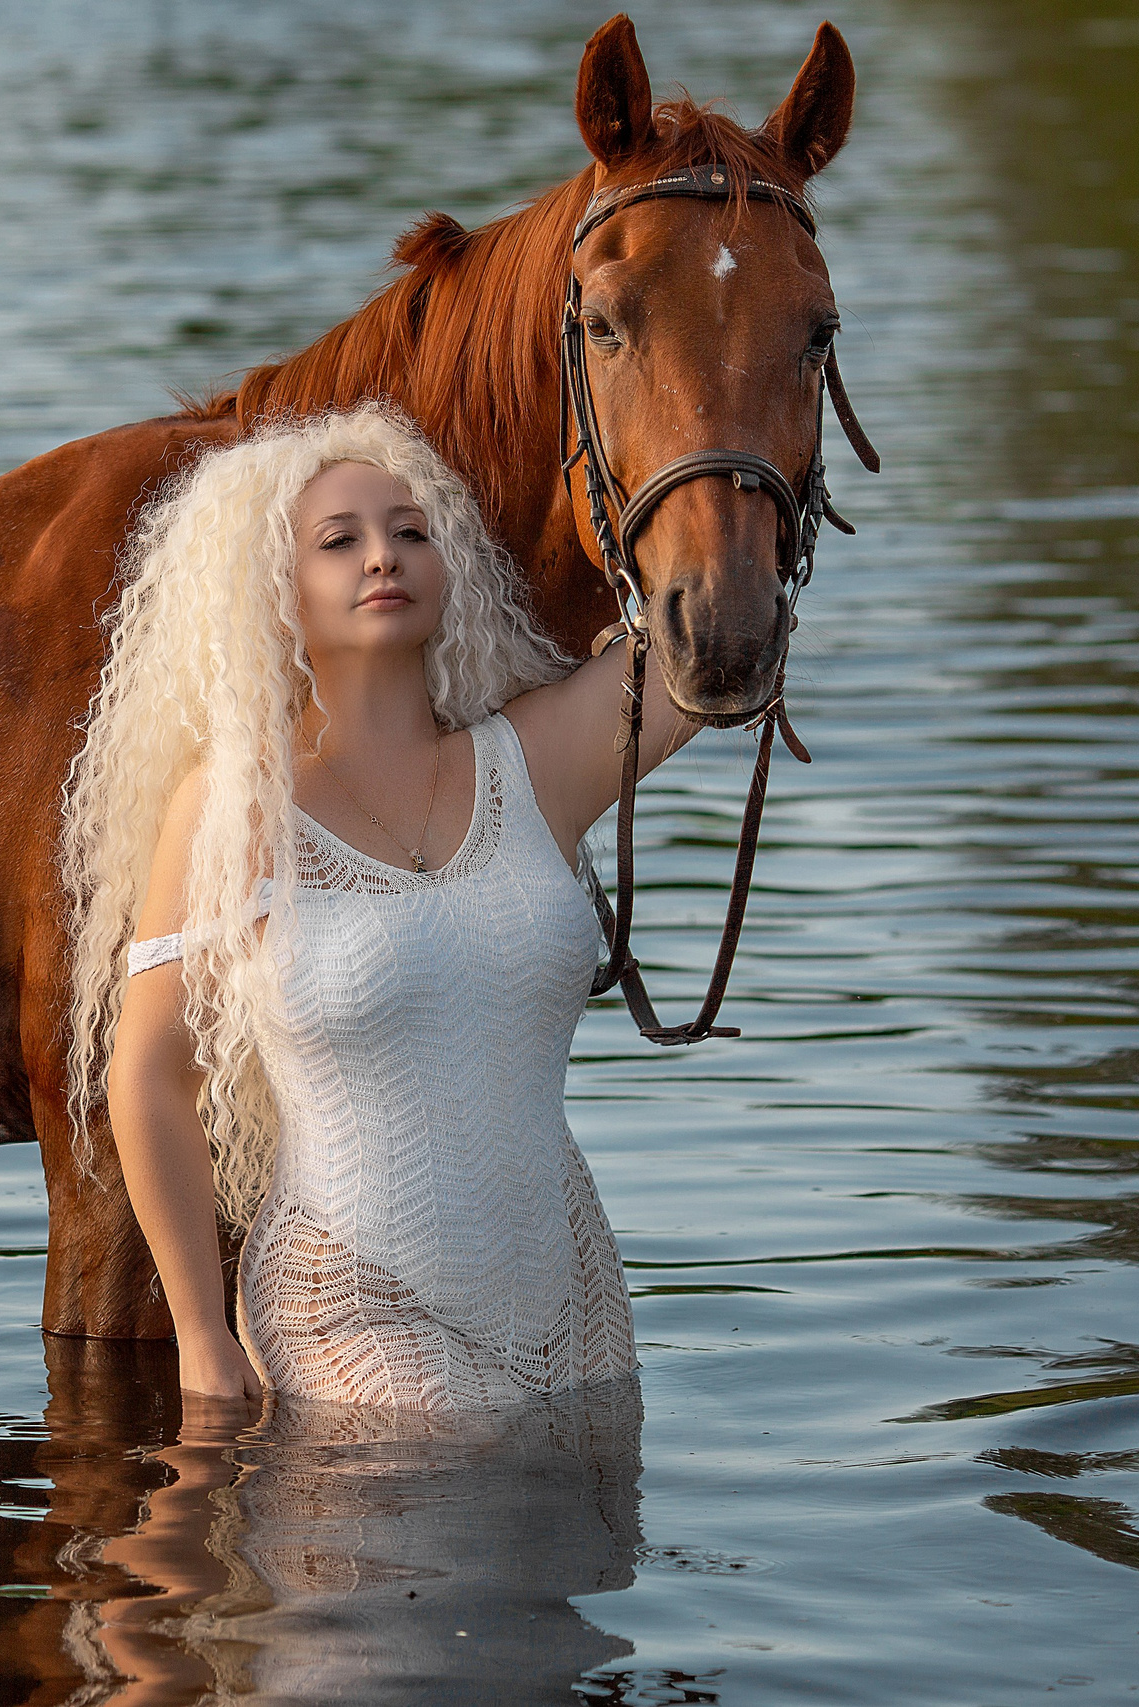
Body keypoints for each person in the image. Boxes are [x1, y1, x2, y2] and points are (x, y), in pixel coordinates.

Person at [61, 402, 701, 1408]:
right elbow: (147, 1078)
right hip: (348, 1301)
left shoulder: (534, 761)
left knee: (566, 1563)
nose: (380, 557)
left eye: (410, 531)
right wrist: (198, 1333)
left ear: (449, 569)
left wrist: (727, 422)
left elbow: (716, 631)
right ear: (272, 589)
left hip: (573, 1300)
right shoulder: (233, 808)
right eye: (338, 541)